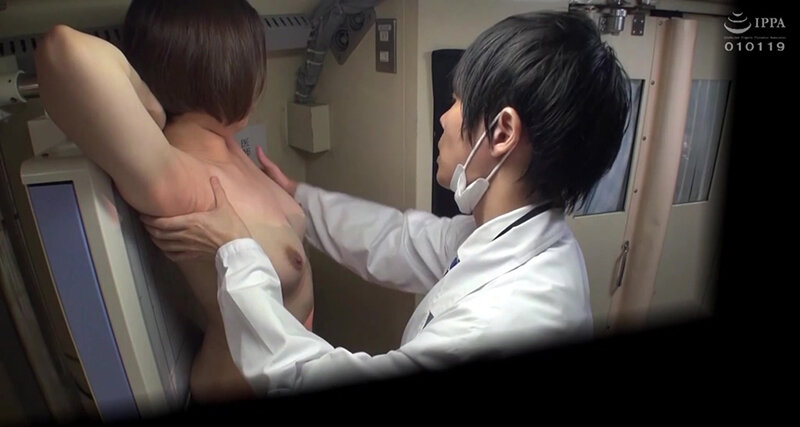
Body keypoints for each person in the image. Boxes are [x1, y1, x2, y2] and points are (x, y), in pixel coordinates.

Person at [143, 10, 632, 395]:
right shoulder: (522, 239)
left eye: (457, 100)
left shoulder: (508, 319)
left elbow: (306, 376)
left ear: (502, 132)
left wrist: (238, 252)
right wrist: (298, 196)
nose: (445, 117)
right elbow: (398, 240)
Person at [34, 0, 314, 403]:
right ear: (222, 73)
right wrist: (152, 107)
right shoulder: (183, 180)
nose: (260, 79)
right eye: (252, 63)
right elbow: (62, 49)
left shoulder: (226, 145)